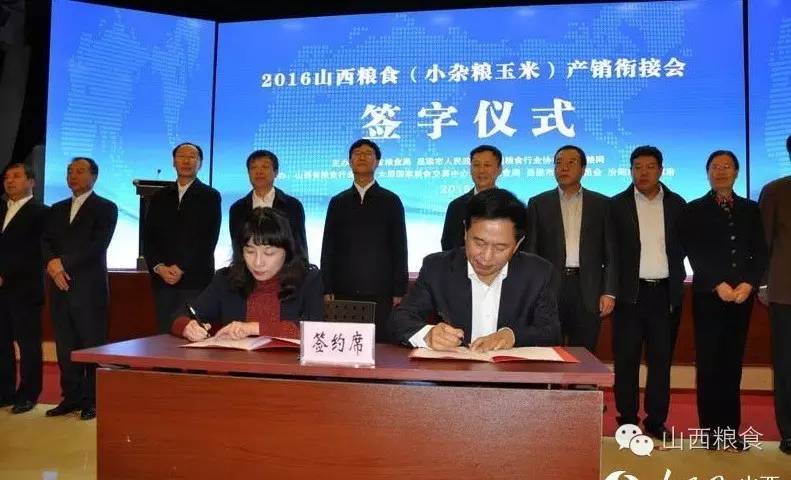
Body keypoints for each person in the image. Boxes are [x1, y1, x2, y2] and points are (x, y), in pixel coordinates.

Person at [391, 188, 560, 351]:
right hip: (454, 370)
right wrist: (427, 334)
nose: (486, 257)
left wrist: (512, 336)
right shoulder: (437, 268)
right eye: (479, 243)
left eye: (500, 248)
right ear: (465, 232)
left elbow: (550, 331)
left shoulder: (538, 273)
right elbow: (399, 319)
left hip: (510, 370)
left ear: (517, 244)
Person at [683, 150, 767, 451]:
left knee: (732, 365)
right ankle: (710, 432)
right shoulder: (694, 209)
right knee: (709, 366)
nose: (721, 171)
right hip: (709, 296)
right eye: (715, 167)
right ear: (707, 173)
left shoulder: (751, 209)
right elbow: (694, 250)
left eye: (727, 167)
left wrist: (749, 283)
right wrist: (718, 283)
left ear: (736, 172)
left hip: (742, 297)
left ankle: (731, 432)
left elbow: (760, 251)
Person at [610, 145, 686, 440]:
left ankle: (656, 420)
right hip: (630, 294)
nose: (643, 172)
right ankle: (627, 418)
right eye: (637, 167)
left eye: (649, 167)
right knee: (626, 360)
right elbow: (610, 251)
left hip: (665, 294)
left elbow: (684, 246)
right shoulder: (616, 205)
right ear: (630, 171)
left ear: (661, 170)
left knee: (661, 361)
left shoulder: (677, 204)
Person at [171, 207, 323, 341]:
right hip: (236, 364)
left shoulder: (309, 280)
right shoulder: (226, 280)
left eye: (269, 253)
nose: (258, 262)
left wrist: (253, 328)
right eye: (250, 251)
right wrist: (187, 326)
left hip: (289, 365)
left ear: (287, 252)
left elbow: (316, 330)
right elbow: (182, 314)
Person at [42, 157, 118, 420]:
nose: (73, 176)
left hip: (89, 289)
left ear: (94, 177)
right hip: (59, 286)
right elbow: (45, 241)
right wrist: (52, 265)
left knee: (91, 346)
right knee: (65, 346)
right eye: (69, 171)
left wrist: (62, 263)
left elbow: (98, 245)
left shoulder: (106, 207)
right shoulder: (56, 209)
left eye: (79, 171)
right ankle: (70, 397)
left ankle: (92, 400)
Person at [526, 145, 617, 353]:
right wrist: (531, 291)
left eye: (570, 163)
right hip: (549, 288)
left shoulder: (602, 204)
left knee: (584, 352)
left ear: (583, 169)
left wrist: (609, 292)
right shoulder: (538, 203)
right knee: (548, 351)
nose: (563, 168)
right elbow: (531, 252)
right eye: (558, 163)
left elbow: (611, 252)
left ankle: (582, 377)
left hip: (589, 288)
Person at [321, 139, 408, 342]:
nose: (362, 157)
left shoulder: (391, 200)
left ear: (377, 162)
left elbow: (399, 248)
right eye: (357, 154)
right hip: (343, 289)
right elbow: (328, 247)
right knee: (344, 343)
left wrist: (399, 289)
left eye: (368, 153)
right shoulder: (338, 201)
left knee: (379, 344)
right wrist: (327, 287)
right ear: (349, 161)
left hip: (381, 290)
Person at [144, 142, 221, 333]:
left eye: (192, 157)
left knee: (193, 334)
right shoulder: (159, 197)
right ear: (173, 162)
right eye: (181, 156)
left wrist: (182, 267)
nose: (186, 161)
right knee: (164, 333)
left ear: (200, 163)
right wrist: (159, 267)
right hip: (163, 281)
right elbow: (149, 237)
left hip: (195, 280)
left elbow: (208, 240)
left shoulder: (210, 196)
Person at [0, 163, 49, 414]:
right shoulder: (1, 209)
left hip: (24, 288)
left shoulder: (42, 213)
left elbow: (34, 252)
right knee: (2, 343)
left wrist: (5, 274)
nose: (10, 181)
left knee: (28, 345)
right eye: (7, 177)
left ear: (32, 182)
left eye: (17, 176)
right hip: (1, 291)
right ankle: (4, 392)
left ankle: (29, 394)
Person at [759, 133, 791, 454]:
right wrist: (763, 283)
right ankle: (789, 431)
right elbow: (763, 243)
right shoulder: (775, 191)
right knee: (786, 366)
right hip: (786, 294)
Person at [228, 149, 307, 258]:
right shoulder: (237, 209)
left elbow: (300, 246)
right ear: (248, 173)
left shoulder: (293, 206)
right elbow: (237, 248)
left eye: (265, 167)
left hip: (285, 268)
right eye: (253, 168)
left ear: (276, 172)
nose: (259, 172)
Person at [440, 144, 502, 251]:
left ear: (499, 169)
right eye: (476, 165)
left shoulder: (511, 206)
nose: (481, 170)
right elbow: (448, 245)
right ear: (470, 169)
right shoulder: (456, 206)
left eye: (487, 165)